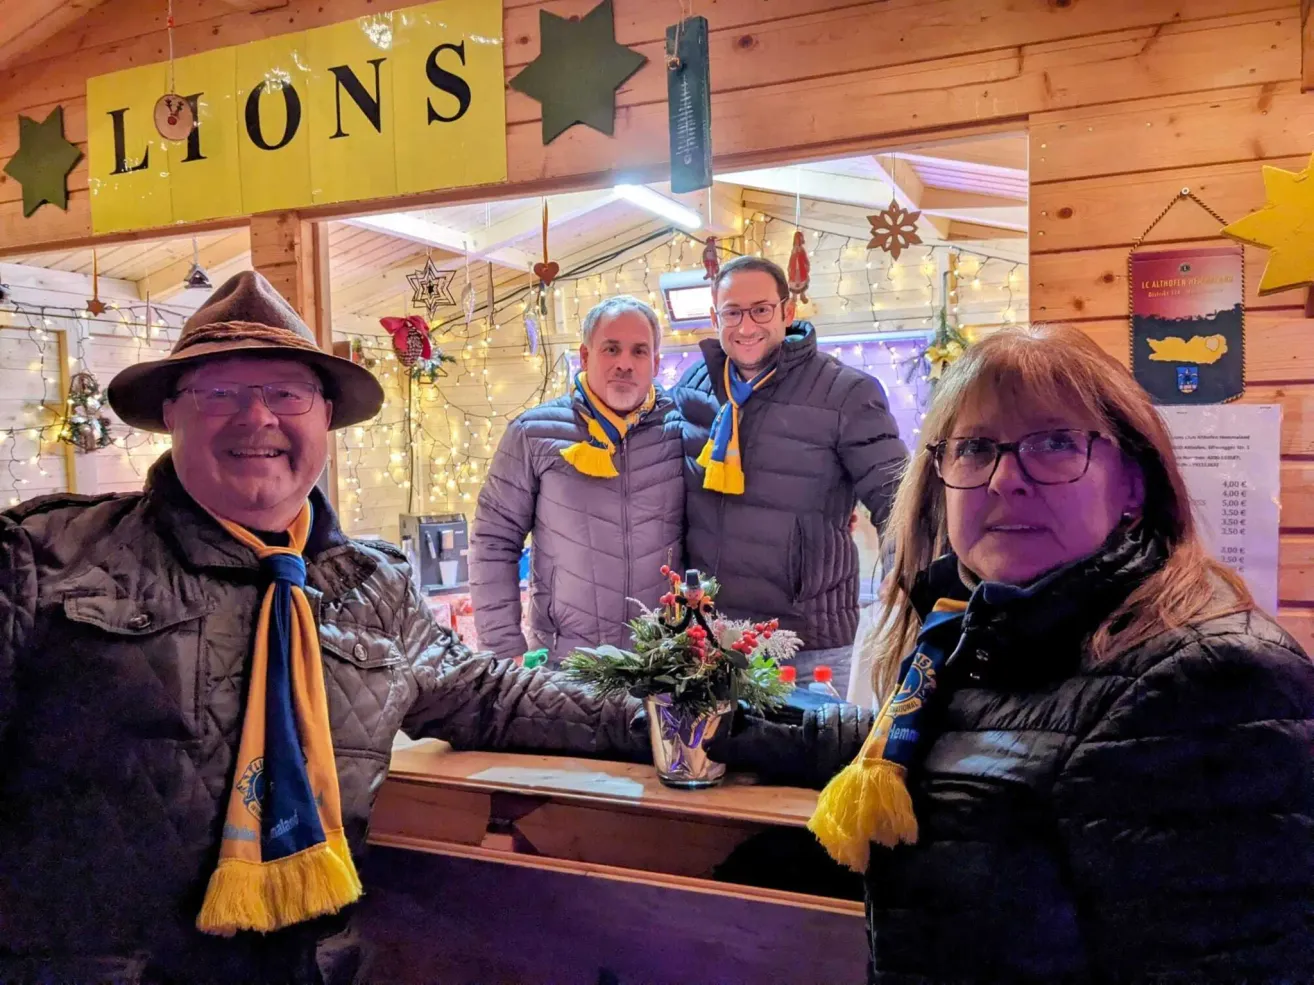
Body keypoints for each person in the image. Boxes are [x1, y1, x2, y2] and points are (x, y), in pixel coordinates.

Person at [0, 273, 668, 985]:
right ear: (172, 414)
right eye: (219, 392)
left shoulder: (372, 586)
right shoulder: (43, 560)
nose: (256, 416)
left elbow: (497, 698)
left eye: (286, 393)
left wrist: (687, 726)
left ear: (324, 416)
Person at [738, 323, 1314, 983]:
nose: (1005, 479)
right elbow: (972, 745)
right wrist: (720, 726)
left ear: (1132, 482)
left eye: (1056, 443)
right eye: (976, 447)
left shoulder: (1214, 678)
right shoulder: (979, 633)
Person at [673, 255, 907, 696]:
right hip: (711, 638)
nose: (746, 326)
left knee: (811, 765)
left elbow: (898, 498)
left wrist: (905, 590)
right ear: (714, 316)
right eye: (732, 312)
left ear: (788, 311)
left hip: (807, 644)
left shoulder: (845, 392)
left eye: (761, 309)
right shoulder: (692, 387)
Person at [472, 295, 708, 665]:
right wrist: (504, 650)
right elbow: (493, 542)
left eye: (639, 352)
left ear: (656, 363)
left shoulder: (683, 432)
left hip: (664, 663)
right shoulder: (533, 434)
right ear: (585, 356)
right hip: (566, 664)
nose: (624, 364)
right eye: (611, 349)